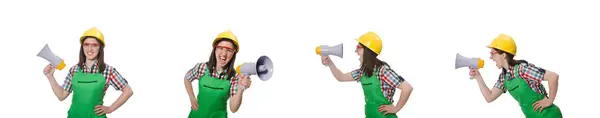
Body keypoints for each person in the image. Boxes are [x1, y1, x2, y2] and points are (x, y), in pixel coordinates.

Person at [43, 27, 134, 118]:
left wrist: (110, 108)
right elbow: (61, 95)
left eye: (94, 45)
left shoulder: (108, 71)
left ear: (100, 48)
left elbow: (128, 91)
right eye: (86, 44)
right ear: (82, 47)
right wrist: (50, 76)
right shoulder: (74, 70)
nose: (90, 49)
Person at [320, 31, 414, 118]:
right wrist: (330, 63)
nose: (356, 51)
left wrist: (396, 108)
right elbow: (341, 77)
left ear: (367, 51)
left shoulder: (383, 71)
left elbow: (407, 88)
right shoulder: (363, 72)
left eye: (358, 48)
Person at [470, 34, 562, 118]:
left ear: (503, 55)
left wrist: (550, 100)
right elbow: (489, 97)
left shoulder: (523, 69)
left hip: (549, 115)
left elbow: (553, 76)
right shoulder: (504, 77)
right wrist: (478, 76)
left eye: (492, 53)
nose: (490, 57)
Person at [184, 30, 251, 118]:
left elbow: (233, 109)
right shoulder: (202, 68)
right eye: (221, 48)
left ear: (233, 53)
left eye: (229, 50)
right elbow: (187, 78)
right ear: (215, 49)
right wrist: (192, 98)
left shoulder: (234, 77)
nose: (224, 53)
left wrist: (240, 89)